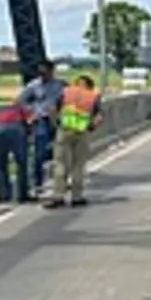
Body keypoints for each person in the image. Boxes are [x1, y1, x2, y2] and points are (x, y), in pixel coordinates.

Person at [43, 74, 103, 209]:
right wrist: (91, 127)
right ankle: (77, 197)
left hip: (64, 131)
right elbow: (98, 117)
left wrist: (56, 124)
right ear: (90, 85)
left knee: (60, 163)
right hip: (82, 133)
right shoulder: (92, 96)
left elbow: (53, 109)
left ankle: (58, 195)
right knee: (79, 165)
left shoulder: (66, 92)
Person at [19, 59, 64, 198]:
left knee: (62, 154)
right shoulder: (33, 86)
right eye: (41, 73)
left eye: (46, 72)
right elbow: (21, 101)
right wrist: (32, 112)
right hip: (41, 121)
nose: (43, 75)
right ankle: (38, 183)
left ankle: (61, 182)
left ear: (52, 71)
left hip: (58, 121)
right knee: (39, 154)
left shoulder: (60, 85)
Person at [0, 95, 31, 203]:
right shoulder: (21, 109)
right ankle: (22, 194)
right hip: (16, 129)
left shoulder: (0, 110)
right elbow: (29, 122)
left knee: (1, 164)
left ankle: (5, 195)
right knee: (22, 163)